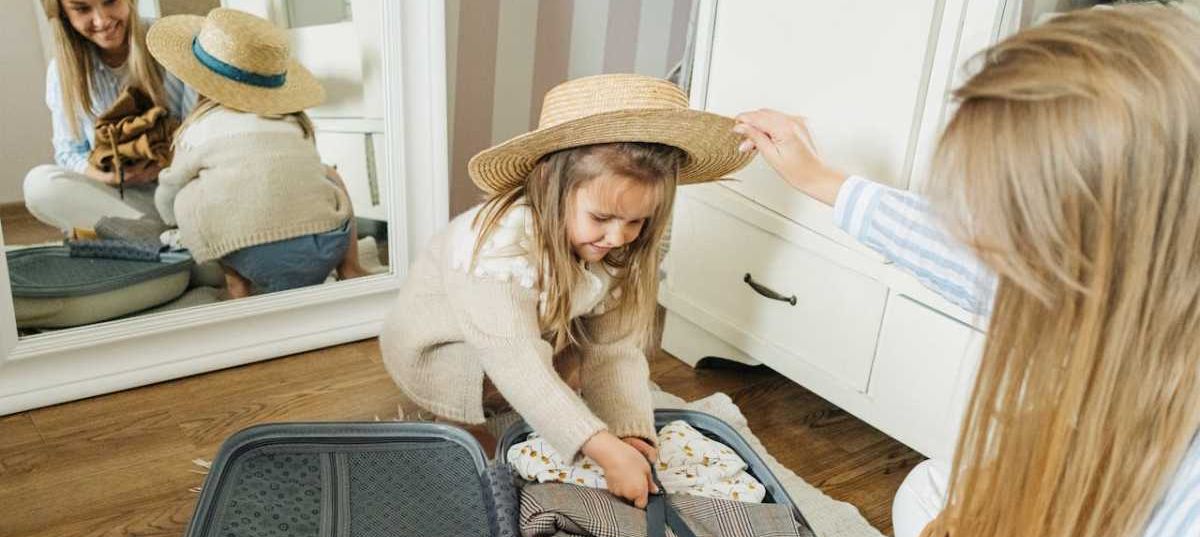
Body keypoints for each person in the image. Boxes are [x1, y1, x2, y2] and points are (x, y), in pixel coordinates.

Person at [735, 5, 1199, 537]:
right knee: (928, 491)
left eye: (1012, 225)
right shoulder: (1134, 290)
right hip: (1102, 521)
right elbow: (968, 259)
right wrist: (825, 182)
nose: (988, 248)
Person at [379, 73, 753, 508]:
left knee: (585, 360)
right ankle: (458, 415)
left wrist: (626, 430)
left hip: (534, 327)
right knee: (491, 411)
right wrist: (601, 448)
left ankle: (554, 412)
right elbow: (514, 356)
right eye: (602, 218)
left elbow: (615, 348)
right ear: (550, 189)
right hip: (445, 345)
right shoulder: (497, 244)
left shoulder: (610, 245)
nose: (618, 236)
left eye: (636, 222)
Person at [148, 9, 367, 297]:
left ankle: (237, 286)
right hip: (325, 248)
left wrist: (167, 216)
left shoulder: (196, 130)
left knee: (190, 194)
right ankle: (350, 267)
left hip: (253, 258)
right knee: (329, 174)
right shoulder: (292, 121)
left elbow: (171, 186)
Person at [24, 0, 195, 234]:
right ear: (64, 14)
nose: (102, 20)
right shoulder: (62, 72)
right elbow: (69, 153)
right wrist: (112, 177)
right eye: (83, 9)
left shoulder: (170, 45)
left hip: (180, 188)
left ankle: (144, 237)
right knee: (39, 185)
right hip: (120, 196)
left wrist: (161, 165)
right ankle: (162, 237)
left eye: (110, 1)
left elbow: (199, 135)